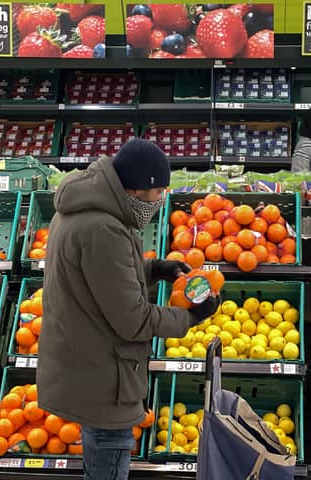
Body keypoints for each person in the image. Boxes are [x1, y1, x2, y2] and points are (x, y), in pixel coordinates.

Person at [37, 138, 220, 480]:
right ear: (136, 190)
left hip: (86, 364)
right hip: (104, 378)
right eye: (158, 192)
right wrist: (191, 317)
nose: (161, 200)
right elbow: (133, 320)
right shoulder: (103, 229)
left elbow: (98, 280)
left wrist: (154, 270)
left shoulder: (83, 211)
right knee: (107, 461)